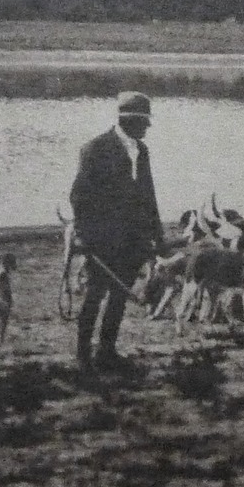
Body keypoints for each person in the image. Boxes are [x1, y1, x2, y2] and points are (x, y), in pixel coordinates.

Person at [69, 91, 165, 370]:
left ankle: (107, 351)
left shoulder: (142, 151)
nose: (148, 127)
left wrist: (156, 232)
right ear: (129, 120)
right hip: (103, 240)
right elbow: (79, 196)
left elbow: (148, 194)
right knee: (95, 294)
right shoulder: (95, 149)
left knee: (120, 296)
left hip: (133, 240)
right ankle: (83, 353)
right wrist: (85, 236)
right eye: (144, 122)